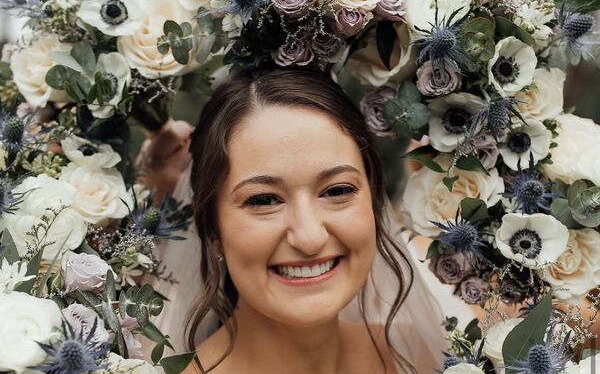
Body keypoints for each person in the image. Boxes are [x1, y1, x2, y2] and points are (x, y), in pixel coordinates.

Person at [141, 68, 472, 373]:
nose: (310, 237)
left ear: (373, 201)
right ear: (212, 228)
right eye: (264, 200)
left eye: (337, 190)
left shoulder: (428, 356)